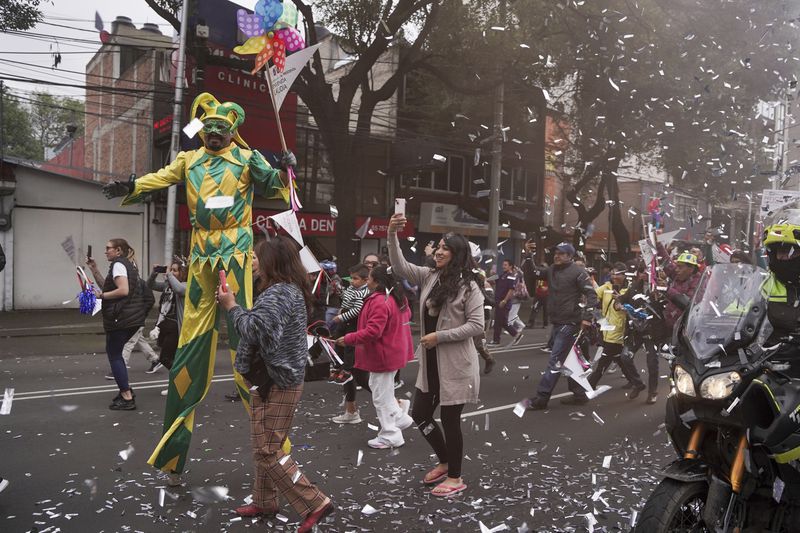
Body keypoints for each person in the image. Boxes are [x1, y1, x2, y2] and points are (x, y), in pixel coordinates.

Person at [103, 92, 297, 477]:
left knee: (246, 339)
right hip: (202, 254)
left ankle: (276, 449)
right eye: (208, 129)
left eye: (220, 130)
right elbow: (159, 178)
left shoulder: (246, 158)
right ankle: (173, 454)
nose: (212, 135)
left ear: (231, 132)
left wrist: (286, 168)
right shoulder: (188, 160)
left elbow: (277, 186)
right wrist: (133, 186)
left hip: (237, 254)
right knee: (192, 340)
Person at [218, 236, 333, 531]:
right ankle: (264, 500)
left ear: (272, 262)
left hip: (278, 379)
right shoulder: (279, 290)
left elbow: (254, 330)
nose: (253, 261)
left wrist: (231, 306)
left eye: (257, 257)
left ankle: (315, 502)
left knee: (268, 450)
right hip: (267, 377)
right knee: (262, 444)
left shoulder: (280, 293)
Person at [388, 214, 485, 497]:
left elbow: (477, 325)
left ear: (457, 255)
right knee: (419, 413)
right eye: (438, 246)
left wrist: (440, 336)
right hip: (431, 363)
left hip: (456, 365)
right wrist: (392, 233)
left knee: (451, 420)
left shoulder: (470, 285)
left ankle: (455, 477)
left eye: (445, 248)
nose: (438, 251)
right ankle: (444, 461)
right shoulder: (430, 276)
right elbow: (399, 266)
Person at [335, 266, 414, 448]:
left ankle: (391, 433)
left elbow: (373, 331)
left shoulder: (380, 301)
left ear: (377, 282)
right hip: (392, 351)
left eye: (369, 278)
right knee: (381, 391)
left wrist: (348, 339)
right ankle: (399, 418)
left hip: (383, 354)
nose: (366, 281)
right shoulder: (396, 297)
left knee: (380, 395)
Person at [527, 242, 600, 410]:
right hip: (558, 322)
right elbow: (534, 272)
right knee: (571, 360)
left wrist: (587, 317)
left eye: (561, 253)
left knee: (555, 360)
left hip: (570, 323)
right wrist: (527, 255)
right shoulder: (552, 269)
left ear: (570, 256)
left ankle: (542, 397)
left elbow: (592, 295)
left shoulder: (579, 272)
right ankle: (579, 394)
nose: (556, 255)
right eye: (555, 252)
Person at [86, 238, 149, 411]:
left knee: (115, 356)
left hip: (120, 319)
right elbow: (107, 286)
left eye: (108, 248)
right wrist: (94, 269)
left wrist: (101, 297)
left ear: (119, 250)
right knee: (117, 354)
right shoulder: (126, 265)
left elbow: (123, 290)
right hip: (131, 319)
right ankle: (125, 392)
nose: (105, 251)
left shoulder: (119, 265)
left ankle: (127, 396)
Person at [586, 262, 646, 398]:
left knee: (605, 359)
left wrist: (622, 304)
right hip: (606, 329)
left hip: (620, 330)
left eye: (617, 273)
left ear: (625, 275)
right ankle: (637, 382)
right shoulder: (606, 287)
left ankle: (590, 384)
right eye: (612, 273)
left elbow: (635, 310)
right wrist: (599, 318)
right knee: (619, 358)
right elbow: (593, 298)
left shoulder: (630, 290)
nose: (613, 276)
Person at [655, 245, 702, 404]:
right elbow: (666, 262)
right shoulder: (676, 274)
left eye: (681, 267)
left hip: (685, 332)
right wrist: (656, 244)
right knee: (672, 364)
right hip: (669, 329)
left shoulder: (699, 282)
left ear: (691, 269)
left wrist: (667, 289)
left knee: (682, 365)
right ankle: (674, 396)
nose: (677, 270)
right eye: (677, 266)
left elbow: (687, 303)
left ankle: (687, 396)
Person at [148, 258, 188, 396]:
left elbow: (179, 289)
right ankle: (176, 385)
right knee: (173, 358)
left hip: (177, 327)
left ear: (182, 273)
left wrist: (168, 275)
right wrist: (154, 273)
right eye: (171, 269)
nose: (171, 272)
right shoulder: (167, 285)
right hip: (166, 325)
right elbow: (150, 285)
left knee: (165, 358)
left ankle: (183, 382)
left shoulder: (187, 285)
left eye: (175, 270)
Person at [488, 259, 525, 346]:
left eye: (505, 265)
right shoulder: (502, 275)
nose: (503, 266)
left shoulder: (512, 276)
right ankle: (499, 339)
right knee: (500, 321)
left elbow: (511, 290)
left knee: (500, 321)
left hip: (504, 302)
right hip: (498, 301)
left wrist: (504, 300)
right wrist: (492, 274)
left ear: (510, 266)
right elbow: (491, 281)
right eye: (503, 264)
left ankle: (499, 340)